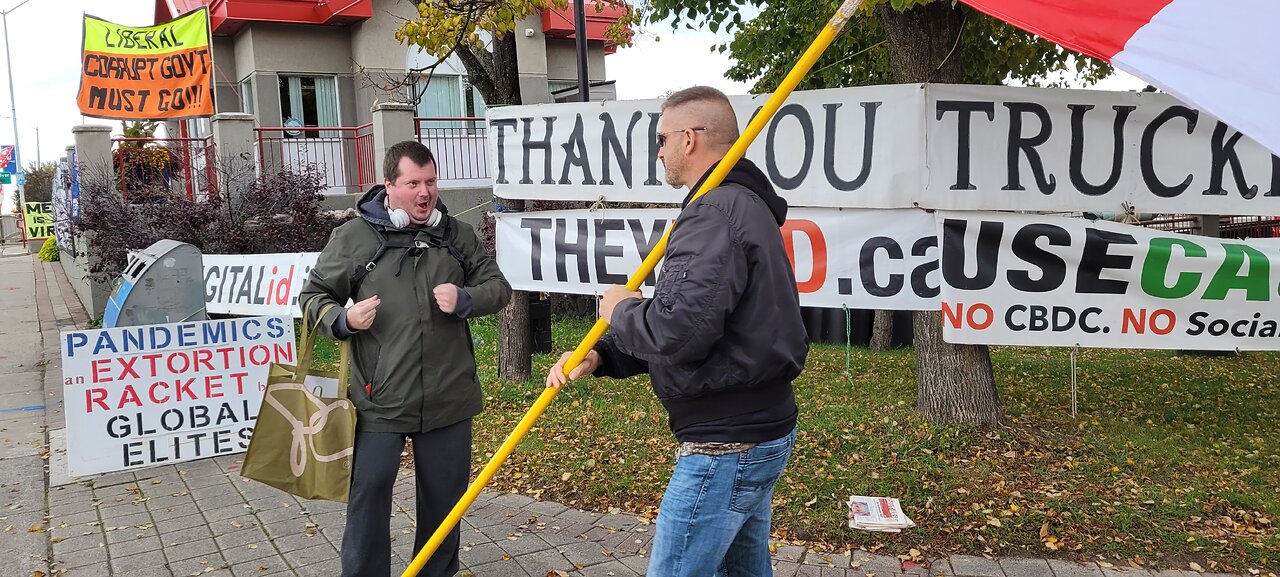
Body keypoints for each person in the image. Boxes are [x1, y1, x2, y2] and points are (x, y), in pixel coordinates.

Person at [546, 86, 808, 577]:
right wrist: (604, 354)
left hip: (725, 442)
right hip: (755, 427)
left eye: (661, 139)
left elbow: (679, 332)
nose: (659, 151)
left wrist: (620, 309)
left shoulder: (715, 213)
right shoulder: (732, 207)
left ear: (689, 139)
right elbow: (704, 324)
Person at [300, 140, 511, 577]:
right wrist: (343, 318)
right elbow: (313, 296)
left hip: (448, 398)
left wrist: (466, 297)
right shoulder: (354, 238)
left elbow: (499, 286)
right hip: (379, 399)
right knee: (369, 494)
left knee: (443, 505)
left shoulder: (456, 236)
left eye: (430, 182)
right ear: (388, 186)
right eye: (412, 183)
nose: (424, 193)